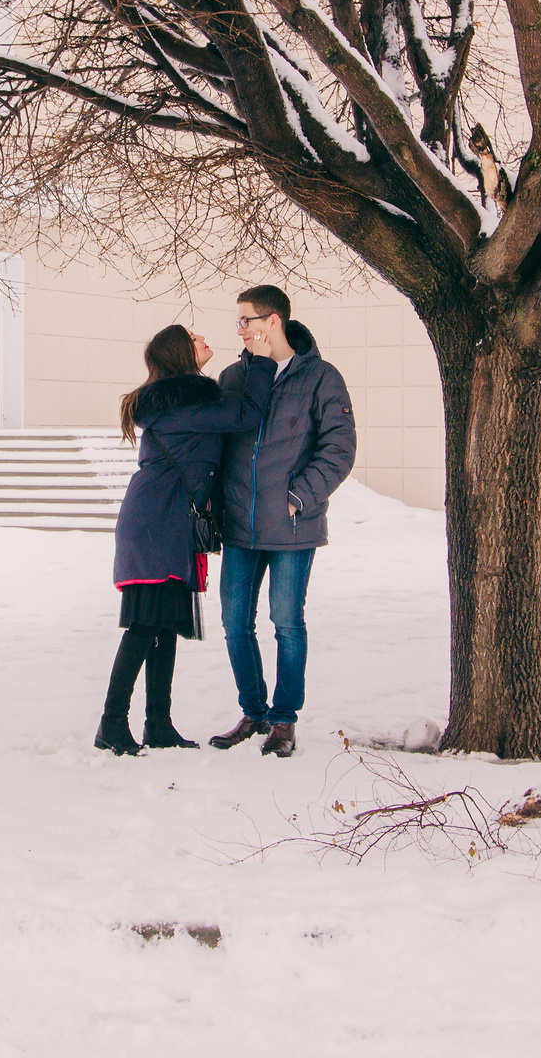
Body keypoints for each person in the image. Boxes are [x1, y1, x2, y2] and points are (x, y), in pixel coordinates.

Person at [98, 324, 277, 756]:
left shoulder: (183, 400)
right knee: (144, 627)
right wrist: (262, 359)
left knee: (163, 629)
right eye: (194, 338)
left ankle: (158, 724)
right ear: (182, 353)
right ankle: (111, 725)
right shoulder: (184, 406)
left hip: (166, 520)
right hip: (156, 522)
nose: (203, 340)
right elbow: (246, 414)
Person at [209, 286, 355, 757]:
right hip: (239, 527)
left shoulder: (321, 378)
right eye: (239, 322)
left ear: (274, 322)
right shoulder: (234, 377)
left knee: (287, 622)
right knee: (235, 623)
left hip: (292, 527)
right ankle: (252, 711)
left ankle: (283, 721)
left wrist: (299, 496)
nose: (241, 329)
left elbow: (339, 448)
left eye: (247, 320)